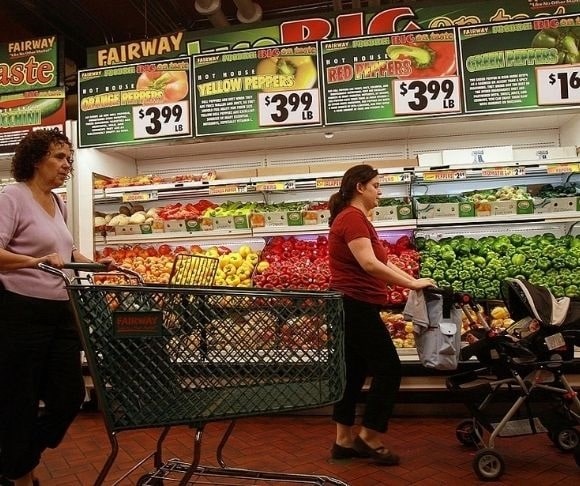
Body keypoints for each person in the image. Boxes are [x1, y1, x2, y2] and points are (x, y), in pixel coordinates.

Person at [0, 129, 113, 486]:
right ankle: (20, 475)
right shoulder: (13, 197)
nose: (67, 165)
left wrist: (95, 264)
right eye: (59, 157)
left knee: (69, 397)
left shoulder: (58, 202)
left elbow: (66, 251)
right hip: (20, 311)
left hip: (61, 311)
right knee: (20, 400)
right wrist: (34, 262)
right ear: (36, 159)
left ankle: (13, 463)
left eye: (69, 159)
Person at [328, 164, 435, 466]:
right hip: (355, 304)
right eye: (376, 186)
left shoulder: (355, 217)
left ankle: (343, 441)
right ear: (360, 187)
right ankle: (369, 437)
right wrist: (412, 284)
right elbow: (369, 264)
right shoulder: (352, 218)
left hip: (351, 304)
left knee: (353, 373)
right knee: (388, 369)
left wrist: (412, 281)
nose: (380, 192)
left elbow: (379, 262)